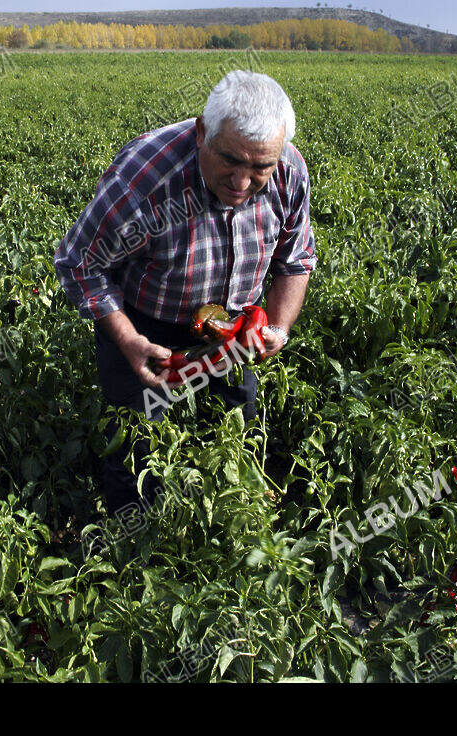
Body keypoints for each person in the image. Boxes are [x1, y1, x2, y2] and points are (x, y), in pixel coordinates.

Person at [54, 70, 316, 517]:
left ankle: (228, 522)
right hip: (145, 326)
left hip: (233, 327)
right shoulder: (145, 178)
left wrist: (278, 328)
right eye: (230, 160)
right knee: (136, 440)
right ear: (201, 133)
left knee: (236, 427)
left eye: (260, 168)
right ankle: (132, 534)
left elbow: (295, 259)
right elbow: (80, 262)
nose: (242, 181)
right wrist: (127, 338)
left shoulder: (288, 171)